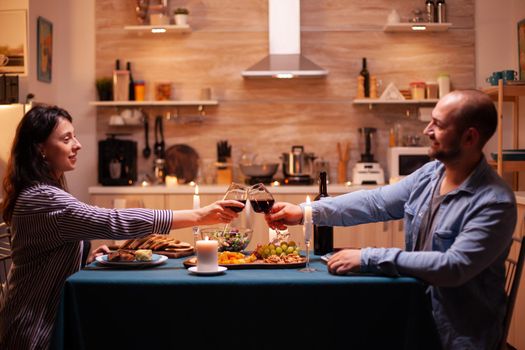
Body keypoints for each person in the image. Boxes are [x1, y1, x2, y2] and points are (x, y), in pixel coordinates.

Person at [266, 90, 516, 350]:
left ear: (470, 137)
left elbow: (453, 267)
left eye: (438, 125)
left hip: (458, 337)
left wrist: (368, 257)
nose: (427, 130)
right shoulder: (430, 175)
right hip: (416, 313)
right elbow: (376, 202)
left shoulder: (494, 202)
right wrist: (306, 212)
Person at [0, 105, 243, 349]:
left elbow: (47, 256)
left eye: (74, 135)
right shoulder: (43, 198)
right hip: (34, 331)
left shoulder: (43, 192)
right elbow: (112, 221)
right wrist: (198, 216)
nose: (77, 144)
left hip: (47, 319)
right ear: (40, 148)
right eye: (66, 138)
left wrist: (82, 261)